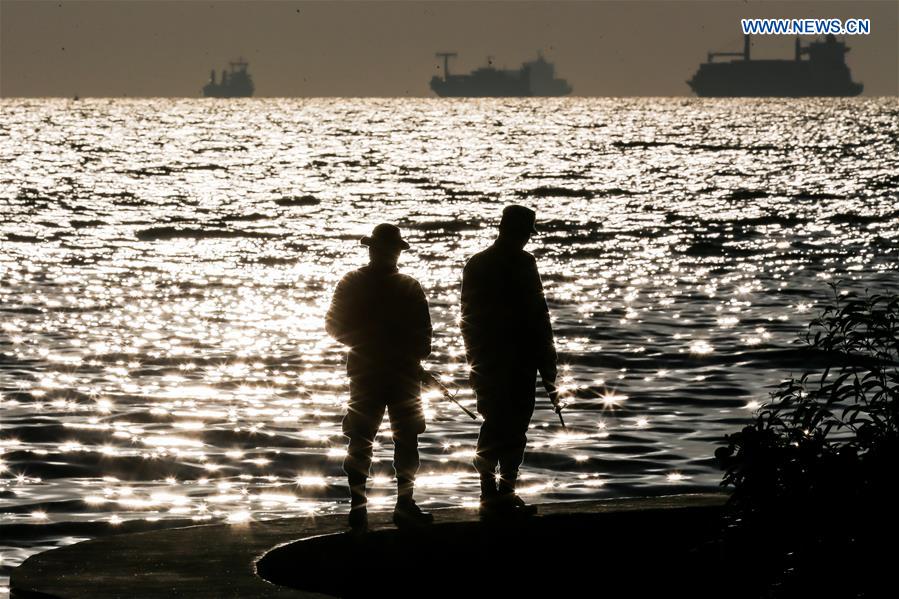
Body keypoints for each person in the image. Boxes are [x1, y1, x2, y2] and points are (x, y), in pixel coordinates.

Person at [326, 223, 434, 530]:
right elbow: (424, 341)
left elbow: (334, 327)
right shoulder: (410, 286)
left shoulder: (351, 282)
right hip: (399, 376)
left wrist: (369, 345)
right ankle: (402, 505)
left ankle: (360, 508)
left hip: (366, 373)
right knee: (403, 440)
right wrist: (402, 354)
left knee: (363, 439)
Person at [461, 205, 560, 517]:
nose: (525, 240)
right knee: (505, 429)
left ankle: (497, 495)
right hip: (509, 362)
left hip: (502, 362)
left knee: (503, 428)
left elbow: (469, 321)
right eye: (523, 233)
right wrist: (548, 366)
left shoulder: (480, 264)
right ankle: (497, 495)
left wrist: (547, 367)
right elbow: (538, 316)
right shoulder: (513, 263)